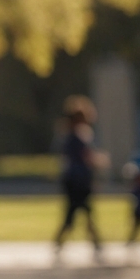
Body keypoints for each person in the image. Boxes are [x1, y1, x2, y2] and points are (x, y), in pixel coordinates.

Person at [53, 95, 108, 253]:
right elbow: (86, 156)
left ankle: (94, 242)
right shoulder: (78, 136)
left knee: (79, 212)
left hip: (73, 180)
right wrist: (100, 161)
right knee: (79, 212)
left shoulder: (68, 135)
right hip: (79, 180)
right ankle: (94, 243)